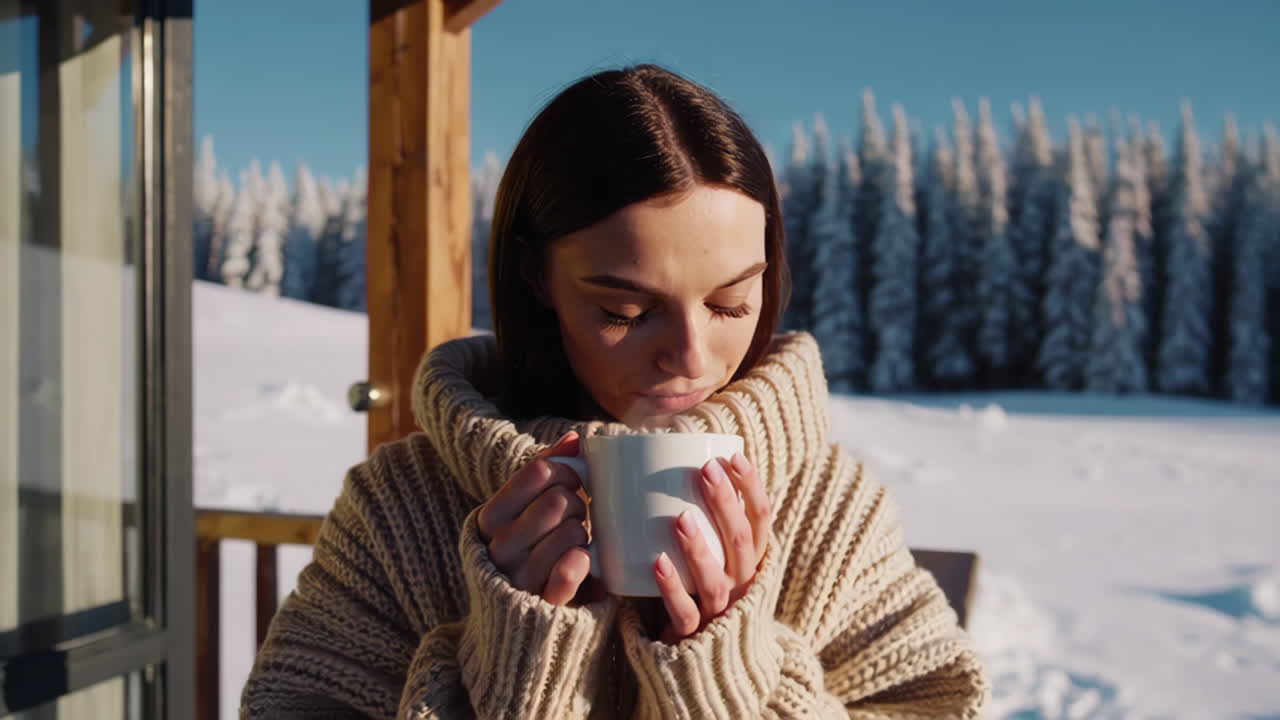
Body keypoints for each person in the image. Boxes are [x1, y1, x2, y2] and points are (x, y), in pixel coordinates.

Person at [242, 64, 987, 718]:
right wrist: (515, 678)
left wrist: (731, 685)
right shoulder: (399, 511)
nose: (691, 355)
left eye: (731, 304)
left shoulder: (828, 507)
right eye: (625, 312)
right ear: (539, 281)